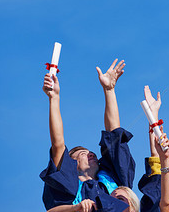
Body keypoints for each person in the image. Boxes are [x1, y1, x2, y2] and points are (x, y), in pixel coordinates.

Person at [40, 59, 136, 211]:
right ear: (70, 165)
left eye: (91, 153)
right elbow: (58, 144)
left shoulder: (115, 182)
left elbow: (114, 134)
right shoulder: (67, 188)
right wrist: (54, 98)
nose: (91, 154)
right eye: (82, 154)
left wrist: (109, 90)